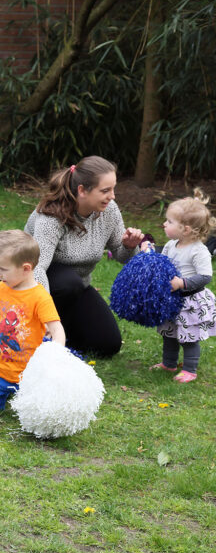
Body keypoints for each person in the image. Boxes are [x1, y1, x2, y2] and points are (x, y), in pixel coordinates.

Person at [24, 156, 144, 357]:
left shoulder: (109, 211)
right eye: (105, 191)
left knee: (108, 344)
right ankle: (38, 332)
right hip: (35, 283)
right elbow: (35, 268)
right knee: (68, 282)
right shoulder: (51, 216)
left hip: (78, 287)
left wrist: (129, 246)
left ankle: (63, 335)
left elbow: (122, 256)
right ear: (82, 190)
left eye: (113, 189)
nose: (112, 196)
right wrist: (45, 316)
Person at [0, 230, 66, 412]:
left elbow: (57, 329)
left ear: (26, 268)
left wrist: (55, 354)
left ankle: (24, 396)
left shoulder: (40, 298)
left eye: (4, 269)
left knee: (32, 411)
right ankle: (2, 391)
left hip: (30, 372)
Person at [152, 191, 216, 383]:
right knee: (169, 334)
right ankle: (169, 363)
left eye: (170, 222)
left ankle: (189, 369)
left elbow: (206, 276)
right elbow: (163, 263)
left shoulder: (198, 251)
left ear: (186, 229)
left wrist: (182, 283)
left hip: (190, 301)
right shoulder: (171, 245)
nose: (165, 224)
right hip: (172, 299)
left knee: (189, 337)